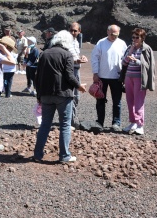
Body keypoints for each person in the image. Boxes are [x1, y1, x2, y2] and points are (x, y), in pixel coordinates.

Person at [33, 30, 87, 163]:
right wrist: (79, 86)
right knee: (65, 125)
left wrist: (39, 95)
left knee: (45, 124)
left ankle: (37, 154)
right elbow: (69, 76)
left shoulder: (44, 54)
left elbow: (37, 77)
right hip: (63, 94)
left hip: (46, 95)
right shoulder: (67, 54)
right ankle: (64, 155)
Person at [91, 24, 128, 131]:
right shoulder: (101, 43)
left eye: (116, 34)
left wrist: (124, 75)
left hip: (117, 77)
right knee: (100, 100)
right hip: (102, 77)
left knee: (117, 101)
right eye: (112, 34)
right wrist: (95, 73)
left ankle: (116, 122)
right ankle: (100, 121)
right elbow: (95, 58)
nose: (114, 36)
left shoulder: (122, 44)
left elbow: (125, 60)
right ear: (107, 32)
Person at [122, 28, 156, 135]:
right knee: (130, 101)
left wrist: (136, 61)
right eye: (133, 37)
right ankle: (133, 123)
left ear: (142, 38)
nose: (135, 39)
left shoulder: (146, 49)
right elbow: (123, 63)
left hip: (139, 78)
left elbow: (148, 65)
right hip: (128, 77)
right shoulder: (129, 48)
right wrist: (131, 51)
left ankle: (140, 124)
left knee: (138, 101)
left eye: (137, 37)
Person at [68, 22, 88, 128]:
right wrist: (78, 60)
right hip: (70, 71)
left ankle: (72, 119)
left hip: (76, 70)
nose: (72, 32)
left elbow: (75, 55)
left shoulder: (76, 42)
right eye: (71, 30)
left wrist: (81, 58)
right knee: (72, 95)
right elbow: (67, 57)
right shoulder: (66, 42)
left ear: (79, 31)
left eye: (75, 30)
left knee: (76, 96)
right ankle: (70, 121)